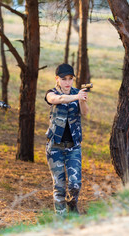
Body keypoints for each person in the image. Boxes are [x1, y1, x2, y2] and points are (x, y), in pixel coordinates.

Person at [45, 63, 89, 215]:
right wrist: (77, 96)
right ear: (57, 79)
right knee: (59, 186)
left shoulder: (78, 93)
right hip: (55, 146)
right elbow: (58, 99)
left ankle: (72, 204)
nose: (68, 82)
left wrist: (82, 100)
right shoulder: (51, 93)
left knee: (75, 184)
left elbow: (85, 113)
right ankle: (61, 220)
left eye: (70, 79)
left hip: (73, 146)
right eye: (64, 79)